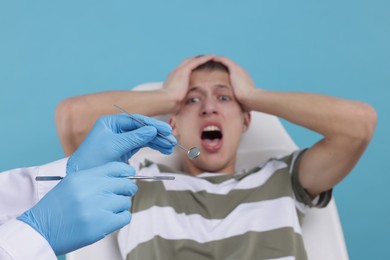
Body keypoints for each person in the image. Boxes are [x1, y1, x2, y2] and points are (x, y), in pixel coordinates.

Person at [55, 55, 377, 259]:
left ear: (246, 120)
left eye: (224, 98)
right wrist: (168, 96)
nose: (209, 107)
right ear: (174, 125)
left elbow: (358, 125)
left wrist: (253, 96)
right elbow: (73, 119)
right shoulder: (138, 184)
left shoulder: (285, 180)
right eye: (193, 101)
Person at [0, 113, 176, 260]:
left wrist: (73, 172)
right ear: (175, 121)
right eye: (194, 99)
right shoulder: (144, 168)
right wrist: (33, 236)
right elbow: (71, 114)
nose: (205, 109)